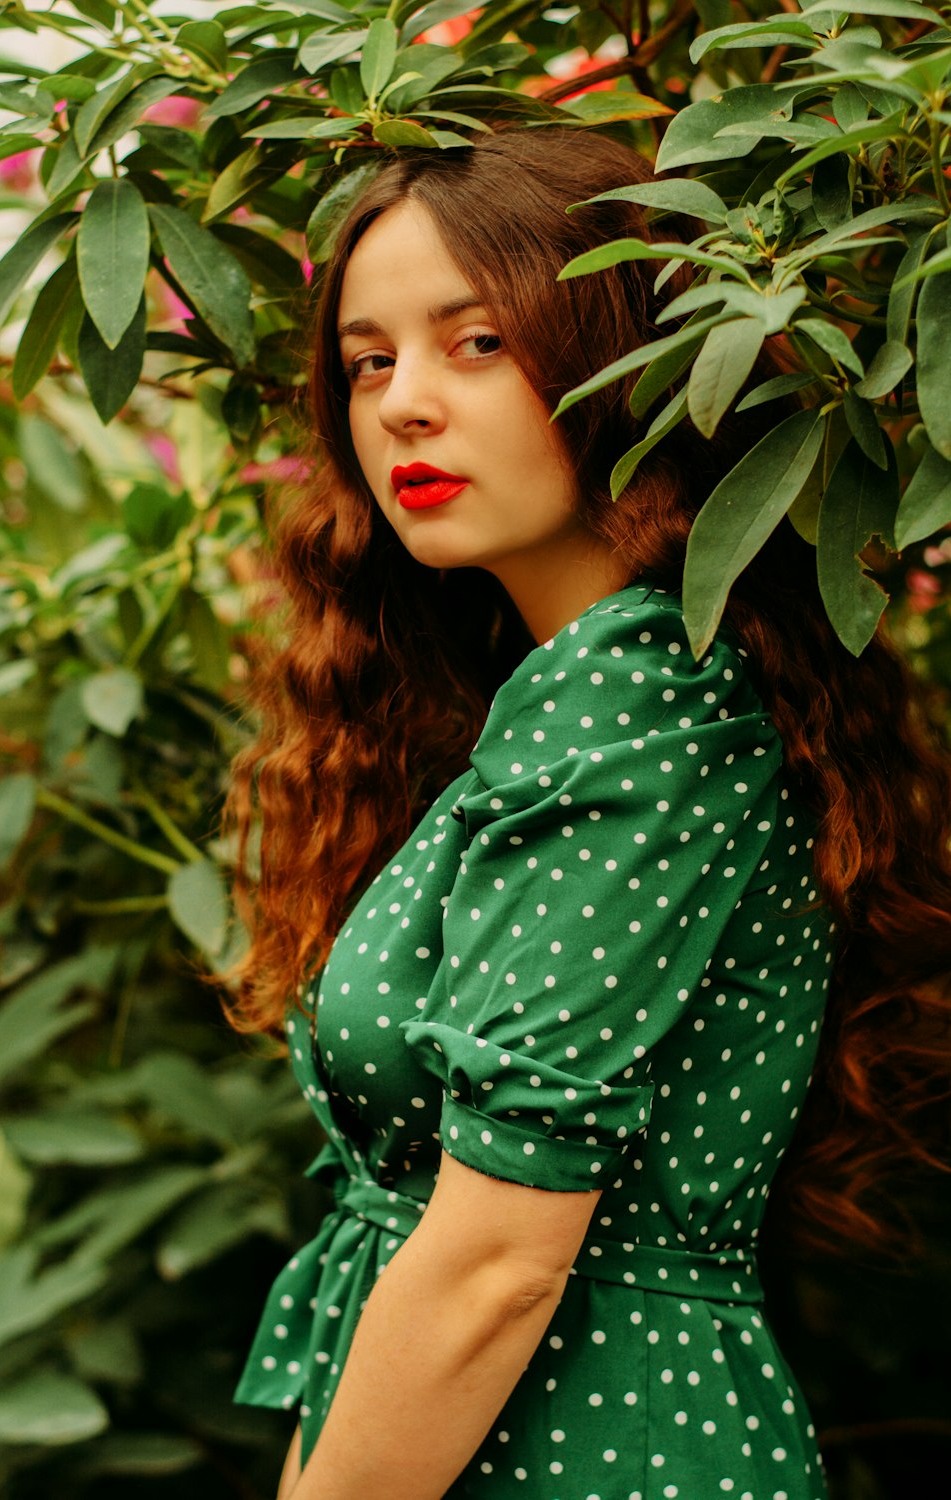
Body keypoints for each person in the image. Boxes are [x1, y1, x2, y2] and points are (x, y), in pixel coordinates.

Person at [226, 128, 951, 1500]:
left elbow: (496, 1264)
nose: (401, 405)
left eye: (478, 341)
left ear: (633, 363)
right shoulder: (563, 703)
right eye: (370, 361)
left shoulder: (640, 713)